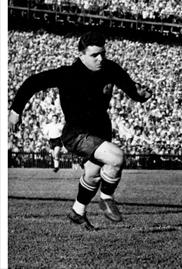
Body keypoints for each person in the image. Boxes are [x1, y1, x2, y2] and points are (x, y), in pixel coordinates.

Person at [8, 31, 152, 230]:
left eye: (102, 53)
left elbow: (131, 89)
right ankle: (107, 198)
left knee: (93, 173)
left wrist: (141, 95)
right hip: (76, 134)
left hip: (101, 130)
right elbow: (32, 82)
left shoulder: (110, 68)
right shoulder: (68, 74)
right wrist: (15, 111)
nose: (100, 58)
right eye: (94, 55)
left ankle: (77, 211)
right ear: (81, 55)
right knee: (117, 157)